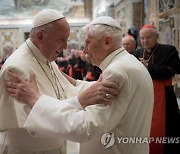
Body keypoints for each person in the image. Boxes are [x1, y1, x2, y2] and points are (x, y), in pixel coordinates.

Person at [5, 16, 154, 154]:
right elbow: (106, 91)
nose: (84, 50)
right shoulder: (129, 63)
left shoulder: (116, 72)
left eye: (88, 42)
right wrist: (75, 83)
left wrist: (35, 99)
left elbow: (84, 127)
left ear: (107, 42)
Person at [134, 24, 180, 154]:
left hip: (163, 95)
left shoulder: (169, 50)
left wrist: (149, 66)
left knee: (164, 127)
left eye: (148, 37)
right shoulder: (137, 53)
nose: (145, 41)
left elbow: (172, 71)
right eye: (142, 38)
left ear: (156, 37)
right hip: (141, 96)